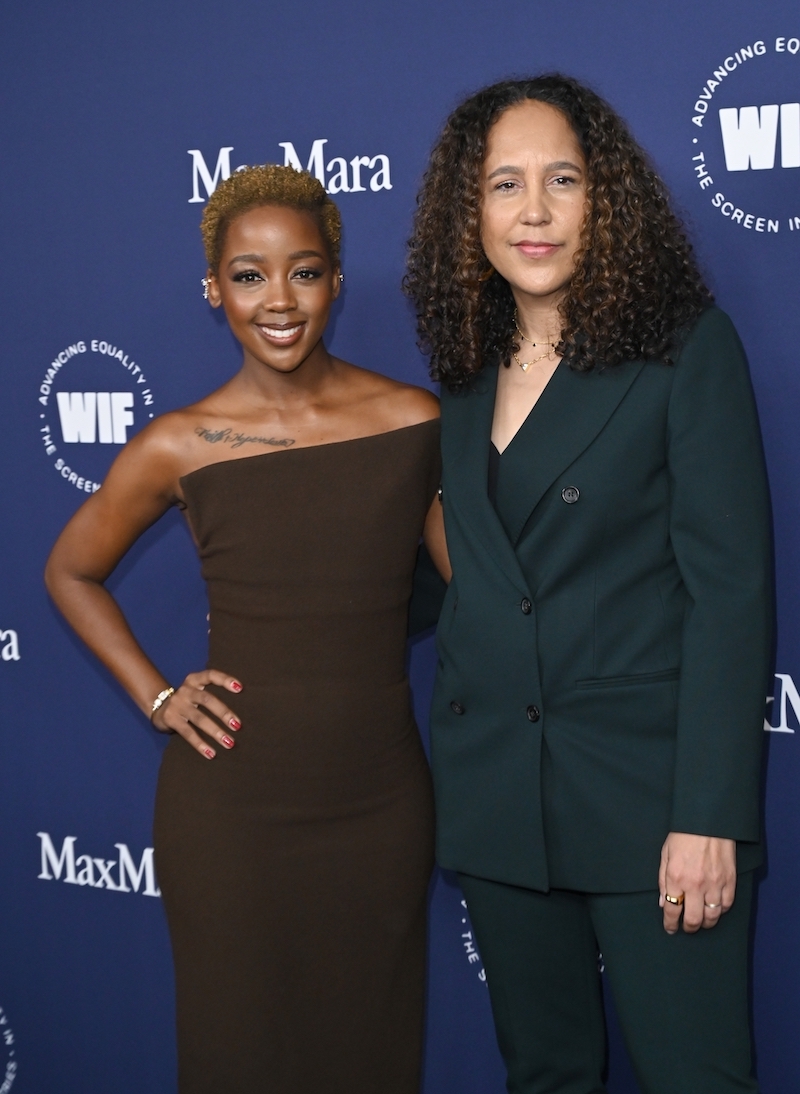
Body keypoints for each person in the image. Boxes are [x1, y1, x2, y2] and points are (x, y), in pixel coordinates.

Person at [404, 74, 773, 1094]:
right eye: (502, 185)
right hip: (497, 796)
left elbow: (728, 593)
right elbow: (463, 568)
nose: (532, 212)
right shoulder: (461, 366)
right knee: (546, 1076)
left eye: (560, 180)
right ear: (463, 210)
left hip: (649, 798)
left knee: (695, 1076)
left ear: (602, 196)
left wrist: (708, 814)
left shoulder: (681, 349)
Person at [45, 164, 449, 1094]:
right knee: (237, 1061)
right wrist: (156, 695)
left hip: (379, 806)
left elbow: (482, 585)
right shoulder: (176, 443)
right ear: (214, 288)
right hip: (229, 815)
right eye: (248, 274)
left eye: (303, 272)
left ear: (337, 281)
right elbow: (70, 571)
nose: (278, 301)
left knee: (371, 1060)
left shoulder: (413, 420)